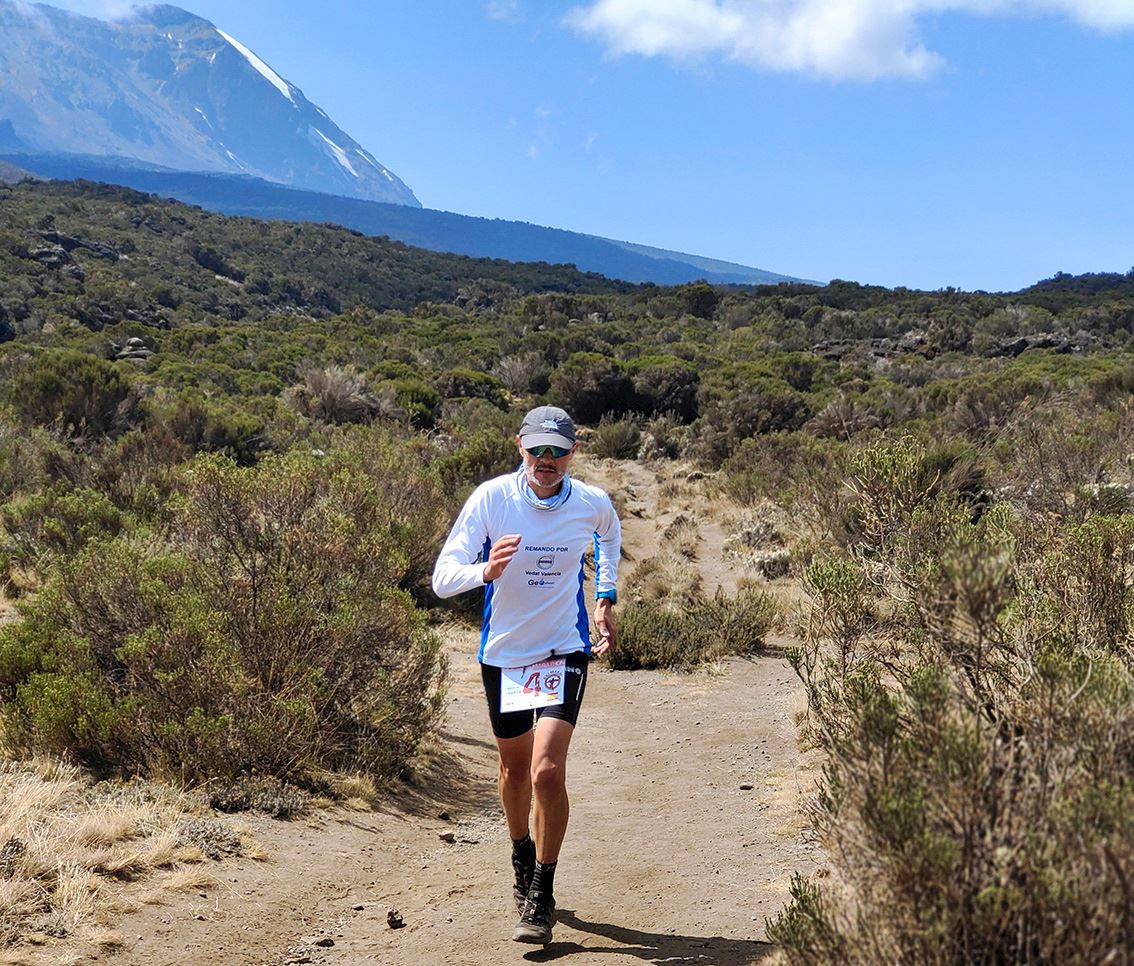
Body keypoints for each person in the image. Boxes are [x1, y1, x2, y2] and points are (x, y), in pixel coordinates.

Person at [431, 405, 621, 945]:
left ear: (573, 453)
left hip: (564, 649)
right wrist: (484, 571)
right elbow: (444, 578)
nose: (546, 460)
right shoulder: (493, 499)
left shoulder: (590, 503)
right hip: (506, 655)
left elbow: (608, 537)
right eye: (537, 449)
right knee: (514, 772)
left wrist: (604, 597)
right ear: (520, 446)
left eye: (557, 450)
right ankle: (520, 854)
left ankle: (542, 889)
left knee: (545, 772)